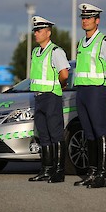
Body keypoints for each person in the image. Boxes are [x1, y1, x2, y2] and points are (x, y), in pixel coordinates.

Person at [73, 3, 106, 188]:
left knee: (100, 131)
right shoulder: (80, 42)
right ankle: (91, 173)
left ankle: (103, 176)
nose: (85, 21)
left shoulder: (104, 41)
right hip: (82, 92)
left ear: (97, 20)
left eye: (88, 18)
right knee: (88, 133)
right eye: (83, 18)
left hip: (96, 91)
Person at [28, 16, 70, 183]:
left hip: (51, 97)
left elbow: (64, 74)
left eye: (39, 30)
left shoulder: (56, 51)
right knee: (43, 135)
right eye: (35, 30)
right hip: (38, 97)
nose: (36, 33)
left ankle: (59, 171)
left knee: (55, 135)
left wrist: (59, 86)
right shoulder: (35, 52)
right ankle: (46, 170)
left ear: (48, 32)